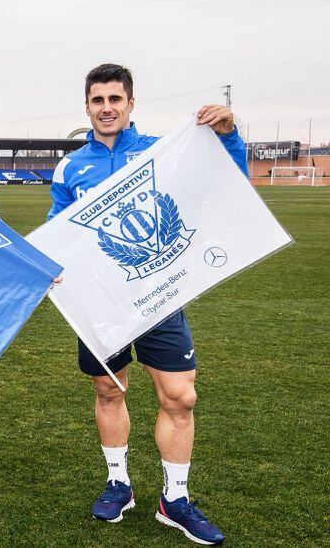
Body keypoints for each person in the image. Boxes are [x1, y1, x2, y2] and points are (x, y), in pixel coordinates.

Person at [46, 63, 246, 546]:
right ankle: (119, 484)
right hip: (99, 304)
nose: (107, 108)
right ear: (88, 106)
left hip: (158, 296)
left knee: (180, 396)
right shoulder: (71, 167)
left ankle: (174, 498)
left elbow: (229, 179)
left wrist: (230, 134)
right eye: (98, 100)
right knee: (110, 392)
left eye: (115, 99)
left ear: (131, 104)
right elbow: (57, 227)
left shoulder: (162, 151)